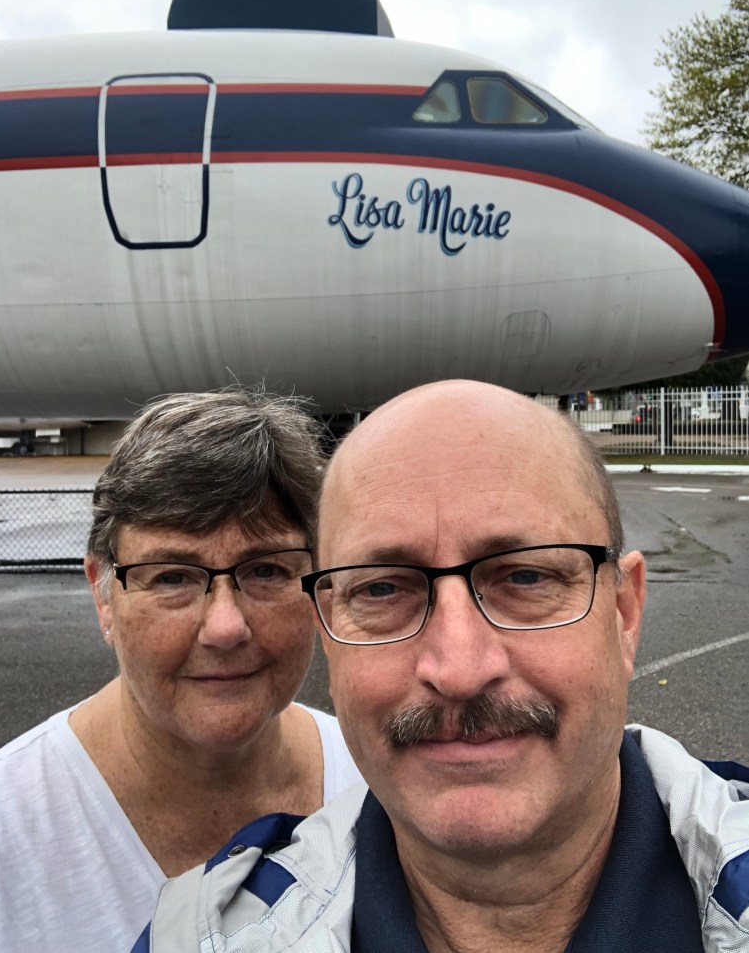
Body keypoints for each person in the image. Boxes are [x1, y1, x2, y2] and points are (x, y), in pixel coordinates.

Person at [139, 380, 749, 953]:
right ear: (328, 633)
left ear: (623, 614)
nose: (458, 670)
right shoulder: (198, 937)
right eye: (381, 590)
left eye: (526, 577)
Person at [0, 389, 361, 953]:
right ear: (103, 596)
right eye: (172, 577)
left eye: (266, 571)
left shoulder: (378, 781)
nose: (226, 627)